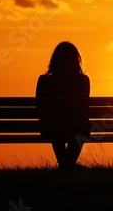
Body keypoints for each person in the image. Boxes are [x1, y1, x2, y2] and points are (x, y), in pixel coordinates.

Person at [36, 41, 91, 169]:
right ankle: (68, 166)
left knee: (55, 125)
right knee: (82, 128)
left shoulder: (44, 81)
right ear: (76, 60)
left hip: (50, 128)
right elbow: (84, 108)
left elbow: (38, 106)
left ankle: (65, 165)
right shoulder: (83, 81)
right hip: (76, 127)